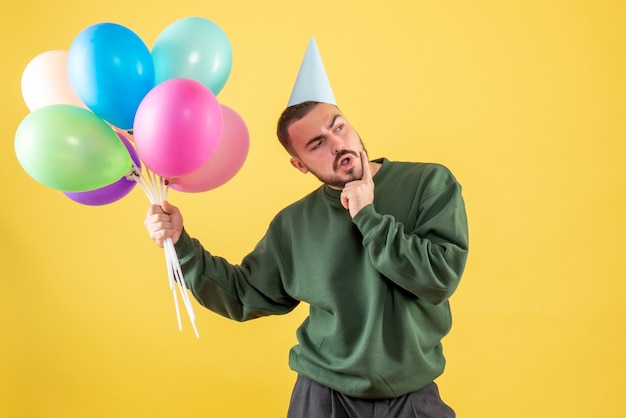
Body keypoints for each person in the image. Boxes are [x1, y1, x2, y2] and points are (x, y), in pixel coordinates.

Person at [144, 99, 469, 417]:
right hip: (324, 396)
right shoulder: (294, 224)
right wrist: (180, 245)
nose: (338, 145)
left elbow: (439, 279)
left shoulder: (429, 183)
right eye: (317, 144)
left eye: (339, 127)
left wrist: (367, 216)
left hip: (412, 394)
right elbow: (244, 294)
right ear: (300, 164)